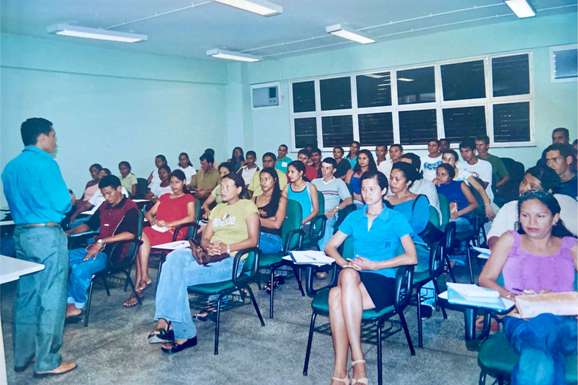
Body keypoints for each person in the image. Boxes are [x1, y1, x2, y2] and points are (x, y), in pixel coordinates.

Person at [148, 173, 259, 353]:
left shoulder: (248, 206)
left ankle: (180, 331)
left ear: (239, 189)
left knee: (179, 276)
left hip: (232, 259)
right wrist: (209, 247)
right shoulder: (217, 210)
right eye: (221, 187)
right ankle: (166, 321)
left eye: (227, 187)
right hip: (210, 254)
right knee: (172, 259)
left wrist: (226, 248)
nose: (222, 190)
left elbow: (253, 240)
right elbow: (205, 238)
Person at [325, 171, 417, 385]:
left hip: (383, 279)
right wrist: (344, 262)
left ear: (383, 191)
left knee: (334, 296)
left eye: (372, 188)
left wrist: (375, 265)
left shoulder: (395, 218)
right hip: (356, 276)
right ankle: (357, 363)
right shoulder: (355, 216)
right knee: (347, 274)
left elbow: (411, 257)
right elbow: (330, 246)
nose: (366, 193)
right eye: (364, 189)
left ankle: (343, 369)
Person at [2, 117, 76, 376]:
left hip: (21, 234)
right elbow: (62, 204)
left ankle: (23, 357)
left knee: (26, 296)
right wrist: (69, 197)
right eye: (54, 135)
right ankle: (48, 361)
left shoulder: (10, 168)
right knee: (52, 298)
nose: (55, 140)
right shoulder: (46, 163)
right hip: (46, 236)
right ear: (43, 136)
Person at [479, 191, 577, 385]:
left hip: (565, 322)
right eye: (525, 215)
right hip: (520, 318)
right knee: (541, 356)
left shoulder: (570, 246)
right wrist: (514, 298)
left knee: (542, 330)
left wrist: (554, 300)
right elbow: (485, 279)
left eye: (540, 216)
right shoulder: (510, 240)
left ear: (555, 218)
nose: (531, 221)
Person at [65, 175, 140, 317]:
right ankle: (70, 301)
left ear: (119, 189)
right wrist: (67, 232)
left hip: (113, 254)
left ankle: (78, 305)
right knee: (63, 259)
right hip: (96, 247)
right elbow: (88, 225)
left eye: (109, 193)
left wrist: (101, 242)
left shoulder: (130, 207)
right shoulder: (104, 206)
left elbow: (131, 234)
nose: (106, 197)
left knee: (79, 270)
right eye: (104, 194)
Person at [123, 170, 196, 307]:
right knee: (141, 237)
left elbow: (191, 217)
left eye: (177, 182)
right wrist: (152, 221)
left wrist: (168, 224)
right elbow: (149, 213)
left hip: (173, 232)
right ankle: (143, 279)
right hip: (158, 230)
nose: (174, 185)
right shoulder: (164, 197)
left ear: (184, 182)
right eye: (172, 182)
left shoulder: (188, 198)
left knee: (141, 239)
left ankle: (140, 286)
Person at [488, 166, 577, 249]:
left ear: (548, 191)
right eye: (524, 182)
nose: (524, 189)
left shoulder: (562, 203)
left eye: (533, 186)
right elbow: (493, 237)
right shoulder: (509, 207)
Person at [385, 162, 431, 269]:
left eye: (397, 179)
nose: (392, 182)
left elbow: (418, 227)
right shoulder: (385, 200)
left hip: (413, 246)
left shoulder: (419, 200)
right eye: (391, 178)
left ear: (408, 182)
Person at [441, 149, 495, 220]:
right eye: (444, 159)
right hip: (447, 207)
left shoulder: (464, 174)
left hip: (464, 208)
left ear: (456, 162)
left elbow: (479, 188)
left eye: (450, 159)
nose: (447, 162)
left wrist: (487, 205)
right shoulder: (439, 175)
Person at [313, 158, 353, 251]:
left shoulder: (338, 182)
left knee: (325, 224)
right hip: (314, 212)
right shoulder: (315, 182)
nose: (324, 170)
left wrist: (335, 210)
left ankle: (324, 253)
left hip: (329, 214)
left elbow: (348, 200)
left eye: (327, 168)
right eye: (322, 167)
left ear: (334, 170)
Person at [398, 153, 441, 223]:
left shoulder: (427, 185)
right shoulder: (394, 185)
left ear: (416, 170)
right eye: (400, 166)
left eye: (406, 167)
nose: (401, 170)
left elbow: (431, 212)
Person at [435, 163, 478, 232]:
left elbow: (474, 204)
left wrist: (458, 214)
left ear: (450, 176)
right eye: (438, 174)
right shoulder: (436, 187)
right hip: (444, 219)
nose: (439, 177)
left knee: (447, 228)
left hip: (461, 217)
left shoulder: (460, 184)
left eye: (443, 174)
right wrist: (432, 186)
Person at [254, 167, 287, 254]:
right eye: (261, 179)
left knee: (246, 242)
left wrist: (255, 219)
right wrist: (268, 220)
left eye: (266, 179)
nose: (263, 183)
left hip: (272, 238)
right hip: (255, 234)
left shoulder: (281, 199)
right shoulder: (254, 199)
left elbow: (276, 224)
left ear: (275, 180)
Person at [284, 161, 319, 227]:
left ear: (301, 173)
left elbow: (315, 210)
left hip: (305, 224)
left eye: (292, 172)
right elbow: (282, 206)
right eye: (288, 172)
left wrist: (301, 222)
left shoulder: (310, 187)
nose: (289, 175)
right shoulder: (287, 187)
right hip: (290, 223)